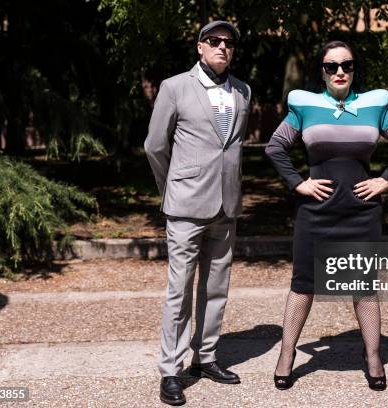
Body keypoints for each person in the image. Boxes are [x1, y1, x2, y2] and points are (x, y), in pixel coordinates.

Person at [265, 40, 388, 391]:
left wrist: (386, 179)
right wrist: (297, 183)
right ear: (322, 71)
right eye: (331, 66)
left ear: (353, 70)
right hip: (315, 212)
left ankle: (374, 357)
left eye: (346, 65)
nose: (339, 72)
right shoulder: (304, 104)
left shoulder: (374, 104)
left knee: (363, 287)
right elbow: (275, 146)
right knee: (303, 284)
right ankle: (287, 355)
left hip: (361, 213)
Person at [144, 20, 251, 406]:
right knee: (180, 289)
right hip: (186, 205)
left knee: (216, 287)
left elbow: (231, 148)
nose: (222, 47)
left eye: (228, 43)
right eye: (214, 41)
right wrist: (171, 188)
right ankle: (171, 371)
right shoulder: (174, 87)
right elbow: (155, 146)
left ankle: (206, 357)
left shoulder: (243, 90)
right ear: (200, 47)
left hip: (227, 204)